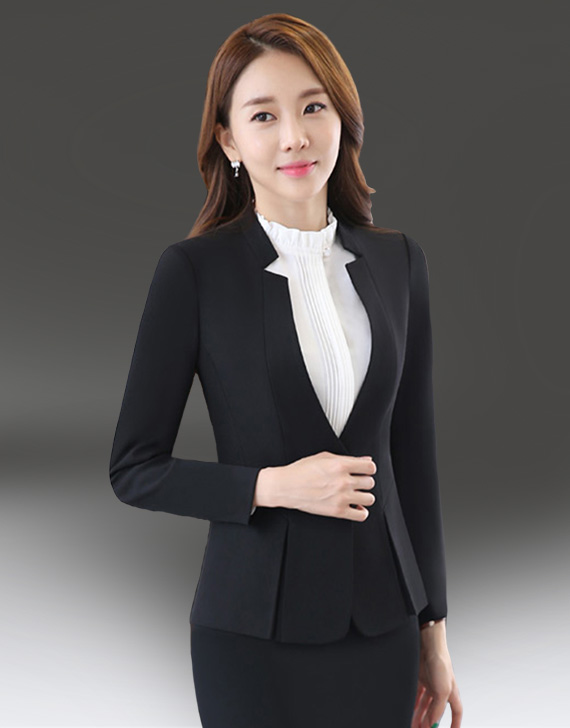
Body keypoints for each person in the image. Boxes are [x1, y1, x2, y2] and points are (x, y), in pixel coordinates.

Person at [109, 12, 463, 728]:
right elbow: (134, 467)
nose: (294, 136)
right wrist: (270, 486)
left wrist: (435, 632)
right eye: (263, 115)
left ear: (343, 118)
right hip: (251, 632)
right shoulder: (193, 273)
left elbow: (413, 461)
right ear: (228, 140)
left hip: (384, 626)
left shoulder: (400, 263)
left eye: (313, 107)